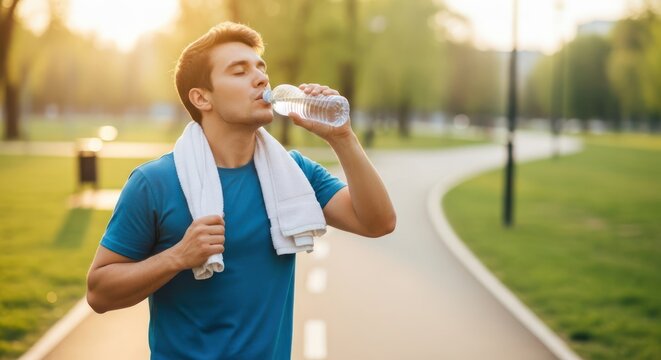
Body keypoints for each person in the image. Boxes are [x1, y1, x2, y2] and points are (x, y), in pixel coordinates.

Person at [86, 22, 395, 359]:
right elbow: (99, 292)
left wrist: (342, 137)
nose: (262, 79)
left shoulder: (294, 174)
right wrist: (177, 257)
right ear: (202, 97)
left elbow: (377, 222)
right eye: (239, 71)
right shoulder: (155, 182)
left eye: (261, 68)